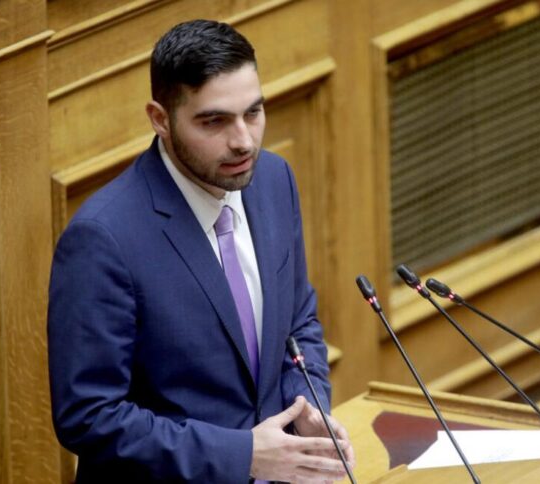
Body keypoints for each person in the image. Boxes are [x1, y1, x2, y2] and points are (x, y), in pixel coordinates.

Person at [47, 19, 355, 483]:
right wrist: (242, 455)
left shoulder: (274, 180)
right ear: (160, 119)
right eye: (214, 121)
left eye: (253, 113)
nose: (243, 141)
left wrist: (306, 407)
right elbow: (89, 416)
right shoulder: (103, 238)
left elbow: (298, 322)